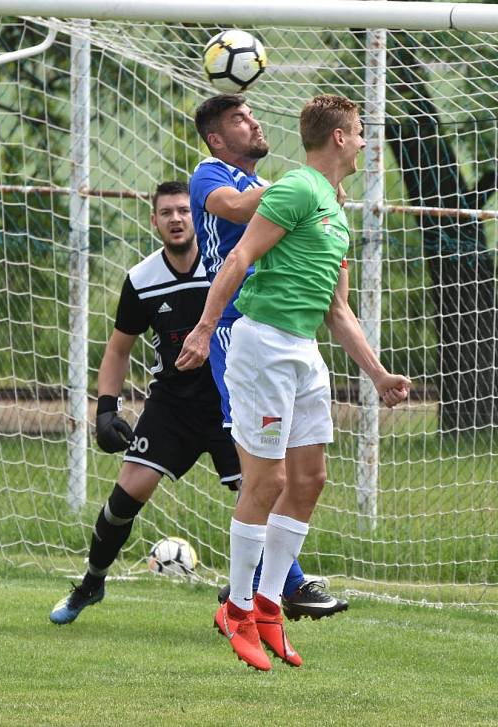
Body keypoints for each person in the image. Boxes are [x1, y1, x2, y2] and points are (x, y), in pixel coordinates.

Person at [177, 95, 411, 671]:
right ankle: (235, 610)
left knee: (309, 479)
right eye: (358, 134)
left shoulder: (334, 207)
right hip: (262, 347)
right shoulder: (295, 189)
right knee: (266, 480)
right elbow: (237, 261)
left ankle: (269, 606)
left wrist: (378, 374)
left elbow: (338, 311)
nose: (364, 144)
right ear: (337, 138)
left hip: (303, 351)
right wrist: (205, 329)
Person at [48, 181, 342, 626]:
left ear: (197, 216)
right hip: (173, 405)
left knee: (260, 488)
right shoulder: (142, 279)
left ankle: (278, 586)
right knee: (129, 492)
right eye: (166, 212)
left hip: (233, 398)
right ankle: (92, 582)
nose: (176, 219)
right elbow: (118, 348)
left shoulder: (227, 266)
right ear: (154, 221)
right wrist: (106, 407)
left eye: (184, 210)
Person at [190, 94, 348, 622]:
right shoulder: (209, 174)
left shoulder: (285, 187)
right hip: (238, 328)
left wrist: (316, 190)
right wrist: (312, 184)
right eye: (240, 118)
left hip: (284, 333)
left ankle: (269, 587)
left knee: (296, 474)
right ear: (216, 138)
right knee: (259, 472)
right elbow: (236, 211)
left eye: (253, 115)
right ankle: (263, 591)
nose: (254, 123)